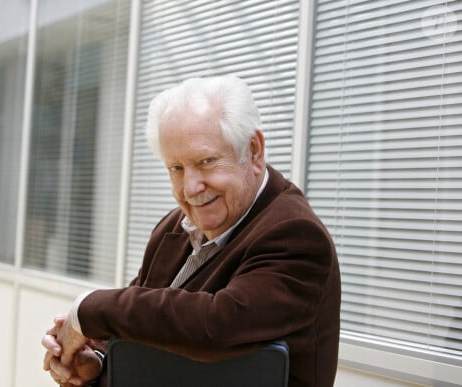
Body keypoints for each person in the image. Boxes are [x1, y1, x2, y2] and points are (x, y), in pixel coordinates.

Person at [42, 75, 341, 387]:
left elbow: (217, 326)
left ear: (253, 151)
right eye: (176, 168)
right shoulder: (175, 225)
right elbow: (140, 323)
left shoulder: (296, 235)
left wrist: (88, 308)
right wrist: (97, 361)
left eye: (206, 161)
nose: (190, 188)